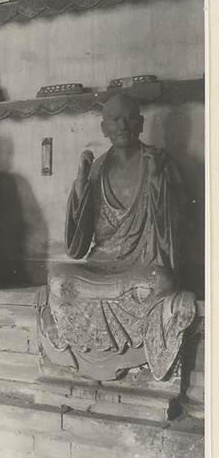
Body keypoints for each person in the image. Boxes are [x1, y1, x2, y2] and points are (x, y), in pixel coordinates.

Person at [38, 94, 196, 381]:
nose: (122, 125)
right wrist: (81, 185)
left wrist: (157, 179)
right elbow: (77, 247)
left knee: (161, 281)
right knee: (58, 277)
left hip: (142, 269)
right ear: (103, 128)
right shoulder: (97, 168)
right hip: (102, 268)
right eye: (114, 119)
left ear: (140, 122)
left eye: (128, 118)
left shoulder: (159, 161)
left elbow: (178, 231)